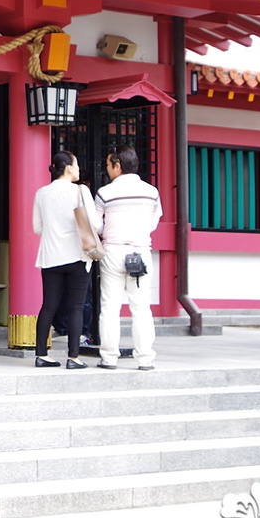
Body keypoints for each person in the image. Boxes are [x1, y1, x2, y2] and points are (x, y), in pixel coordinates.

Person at [94, 145, 161, 371]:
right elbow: (153, 222)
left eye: (108, 165)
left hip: (112, 250)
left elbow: (97, 225)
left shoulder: (104, 193)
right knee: (141, 308)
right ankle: (145, 359)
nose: (107, 169)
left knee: (110, 307)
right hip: (140, 252)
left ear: (118, 166)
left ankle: (109, 357)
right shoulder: (152, 192)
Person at [31, 151, 100, 369]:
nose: (79, 169)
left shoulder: (42, 193)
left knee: (48, 306)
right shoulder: (81, 191)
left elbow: (37, 228)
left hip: (50, 256)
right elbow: (95, 225)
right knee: (76, 307)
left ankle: (41, 354)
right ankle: (73, 357)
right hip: (77, 255)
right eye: (77, 164)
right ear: (69, 168)